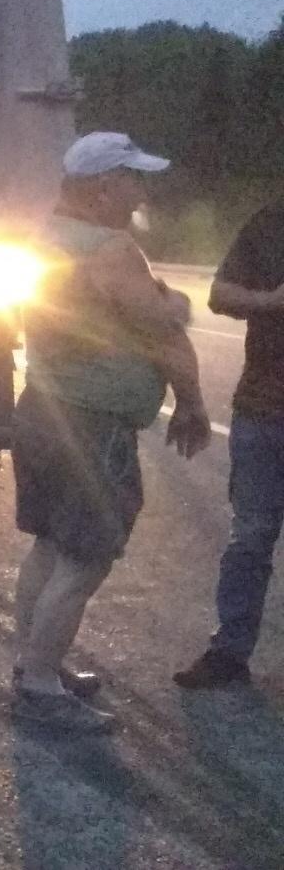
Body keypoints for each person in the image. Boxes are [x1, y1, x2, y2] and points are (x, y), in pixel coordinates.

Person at [11, 132, 212, 734]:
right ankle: (43, 688)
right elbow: (165, 328)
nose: (140, 189)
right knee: (86, 559)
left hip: (43, 408)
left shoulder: (48, 235)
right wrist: (192, 397)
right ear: (103, 186)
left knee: (48, 546)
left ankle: (33, 665)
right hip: (91, 425)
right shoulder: (111, 247)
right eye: (132, 178)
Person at [174, 197, 284, 688]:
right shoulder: (270, 222)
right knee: (250, 538)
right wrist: (272, 300)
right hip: (263, 409)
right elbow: (219, 293)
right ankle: (229, 653)